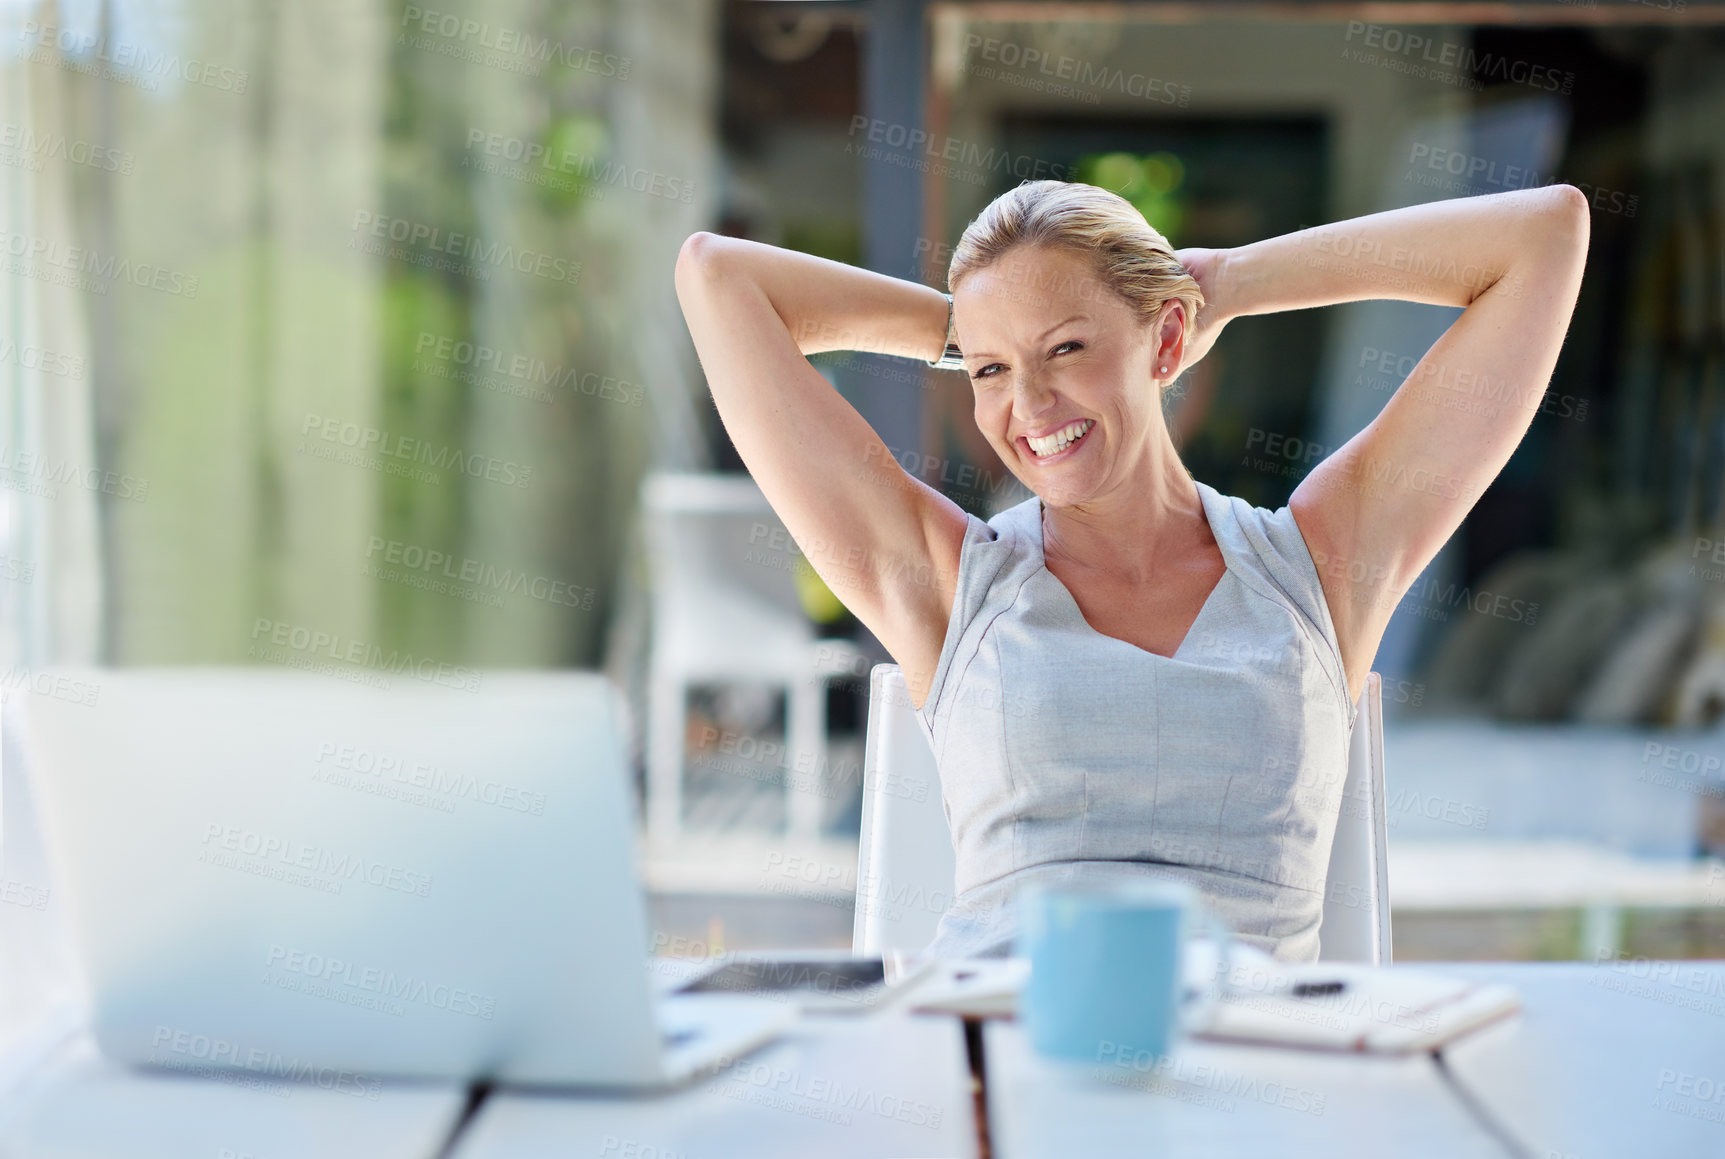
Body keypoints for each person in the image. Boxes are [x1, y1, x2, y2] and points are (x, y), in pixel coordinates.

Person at [674, 179, 1589, 961]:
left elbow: (1541, 236)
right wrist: (976, 328)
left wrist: (1227, 283)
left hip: (1256, 1085)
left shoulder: (1321, 564)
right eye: (988, 372)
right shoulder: (948, 583)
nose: (1027, 405)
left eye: (1066, 348)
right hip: (1004, 1064)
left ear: (1164, 344)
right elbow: (718, 277)